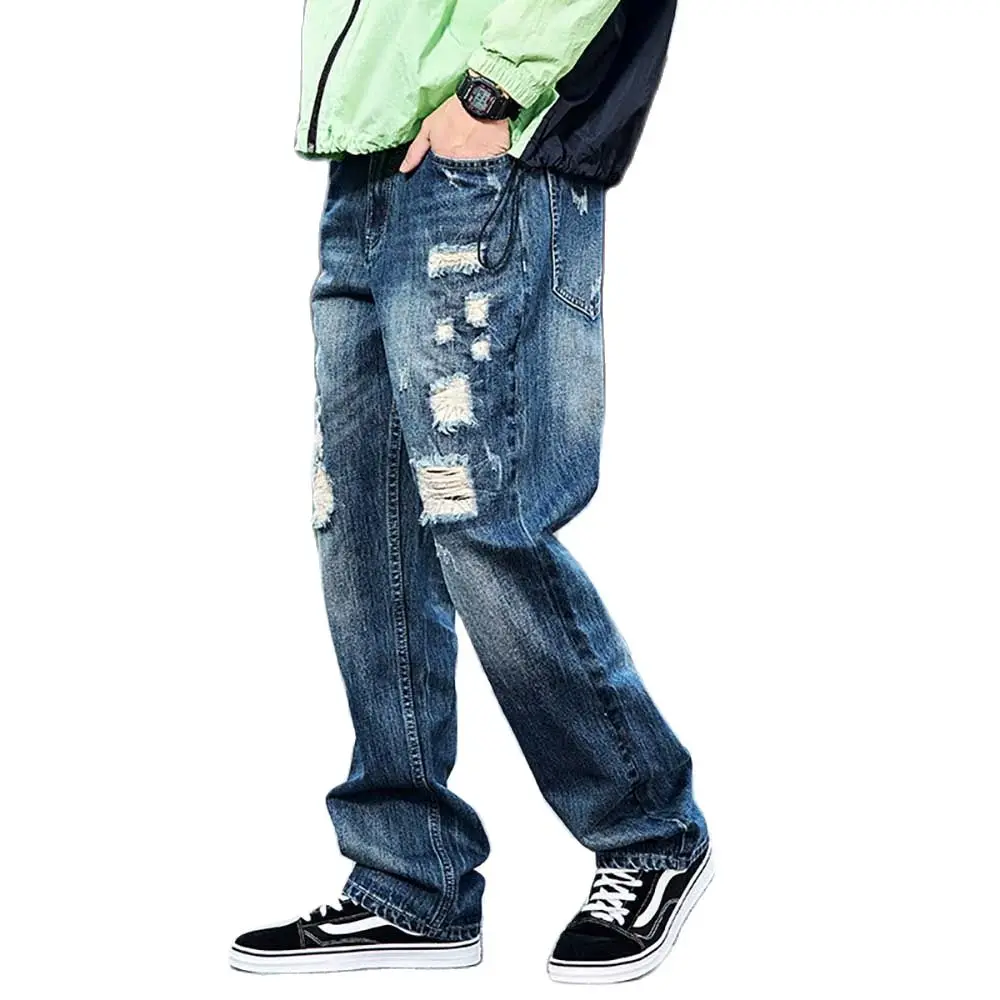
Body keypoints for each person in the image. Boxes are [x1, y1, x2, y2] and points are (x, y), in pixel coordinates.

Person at [230, 0, 711, 985]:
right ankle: (410, 878)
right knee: (362, 527)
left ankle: (649, 831)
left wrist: (492, 92)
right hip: (367, 164)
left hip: (485, 158)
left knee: (481, 514)